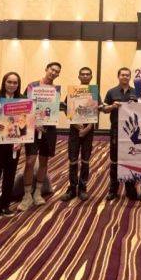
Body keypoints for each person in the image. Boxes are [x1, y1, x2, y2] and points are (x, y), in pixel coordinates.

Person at [18, 62, 62, 210]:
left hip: (49, 129)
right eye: (52, 70)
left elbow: (54, 110)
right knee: (30, 161)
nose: (54, 73)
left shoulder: (55, 90)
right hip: (32, 128)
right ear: (46, 69)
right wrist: (33, 123)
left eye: (57, 71)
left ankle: (37, 192)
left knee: (44, 161)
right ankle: (27, 195)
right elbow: (24, 106)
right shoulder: (32, 86)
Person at [61, 67, 99, 202]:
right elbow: (67, 109)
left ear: (91, 77)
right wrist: (77, 126)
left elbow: (97, 111)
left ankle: (82, 188)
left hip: (89, 131)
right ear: (79, 76)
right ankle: (72, 188)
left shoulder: (94, 92)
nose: (85, 76)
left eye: (88, 74)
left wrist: (87, 128)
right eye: (83, 74)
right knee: (73, 159)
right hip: (74, 130)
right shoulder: (73, 91)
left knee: (85, 160)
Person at [103, 67, 140, 200]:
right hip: (116, 130)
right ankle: (113, 190)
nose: (125, 77)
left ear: (130, 77)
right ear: (118, 76)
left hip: (133, 131)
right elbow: (104, 109)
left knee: (131, 159)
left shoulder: (137, 92)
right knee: (114, 161)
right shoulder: (111, 92)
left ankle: (130, 189)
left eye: (127, 75)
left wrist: (136, 105)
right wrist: (112, 106)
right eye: (122, 75)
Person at [0, 72, 22, 218]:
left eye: (15, 83)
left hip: (14, 143)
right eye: (9, 82)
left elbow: (25, 123)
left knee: (10, 174)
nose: (12, 85)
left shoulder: (22, 99)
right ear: (4, 82)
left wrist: (20, 141)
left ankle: (5, 204)